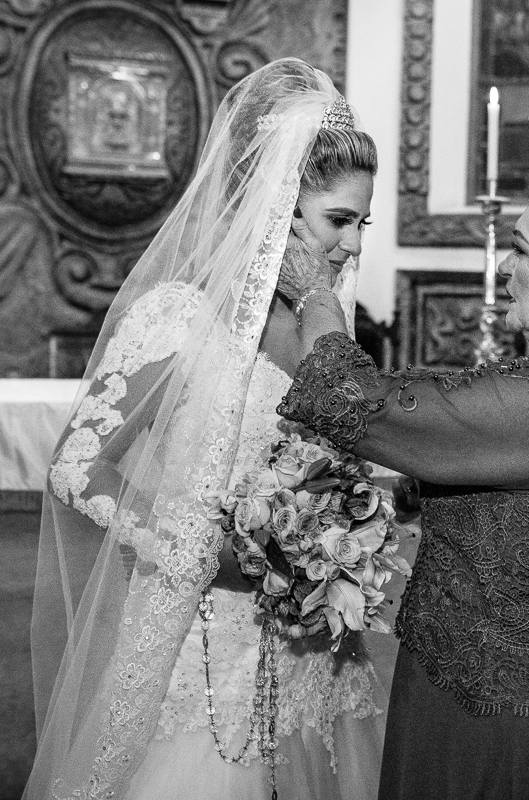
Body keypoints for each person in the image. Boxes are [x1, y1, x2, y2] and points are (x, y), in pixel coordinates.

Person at [25, 59, 385, 800]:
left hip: (313, 644)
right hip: (204, 634)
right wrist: (202, 551)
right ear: (274, 204)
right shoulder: (181, 317)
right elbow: (75, 466)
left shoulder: (330, 332)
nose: (352, 245)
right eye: (338, 221)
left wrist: (332, 541)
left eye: (362, 224)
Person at [275, 159, 529, 800]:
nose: (504, 268)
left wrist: (314, 296)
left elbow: (349, 396)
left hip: (510, 721)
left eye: (521, 250)